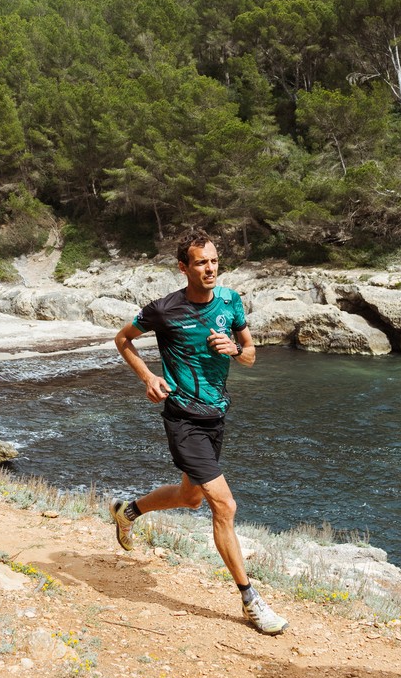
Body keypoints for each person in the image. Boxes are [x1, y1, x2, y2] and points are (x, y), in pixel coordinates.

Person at [109, 230, 288, 636]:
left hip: (216, 415)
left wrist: (235, 351)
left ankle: (128, 510)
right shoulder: (164, 310)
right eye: (201, 262)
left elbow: (251, 355)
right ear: (183, 267)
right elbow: (122, 340)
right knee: (224, 506)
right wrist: (148, 377)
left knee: (191, 497)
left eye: (214, 261)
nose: (209, 269)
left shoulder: (230, 301)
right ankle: (250, 600)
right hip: (183, 418)